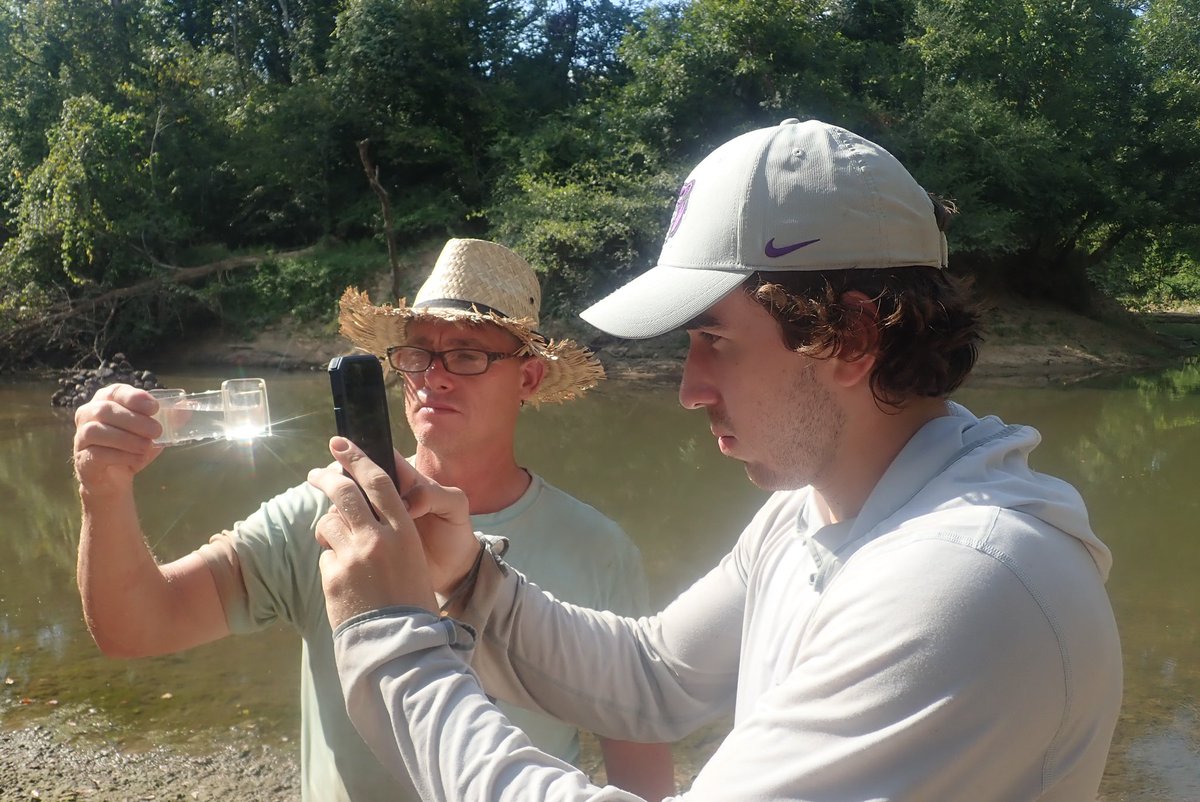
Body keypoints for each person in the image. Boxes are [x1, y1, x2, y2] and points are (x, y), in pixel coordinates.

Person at [307, 118, 1124, 802]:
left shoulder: (965, 580)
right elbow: (655, 673)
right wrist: (465, 577)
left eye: (714, 341)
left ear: (852, 337)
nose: (690, 390)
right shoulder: (823, 508)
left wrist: (391, 642)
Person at [71, 238, 675, 801]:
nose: (432, 376)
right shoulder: (329, 513)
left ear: (529, 376)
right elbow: (137, 628)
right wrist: (103, 490)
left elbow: (640, 762)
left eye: (466, 354)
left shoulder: (599, 550)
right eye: (418, 354)